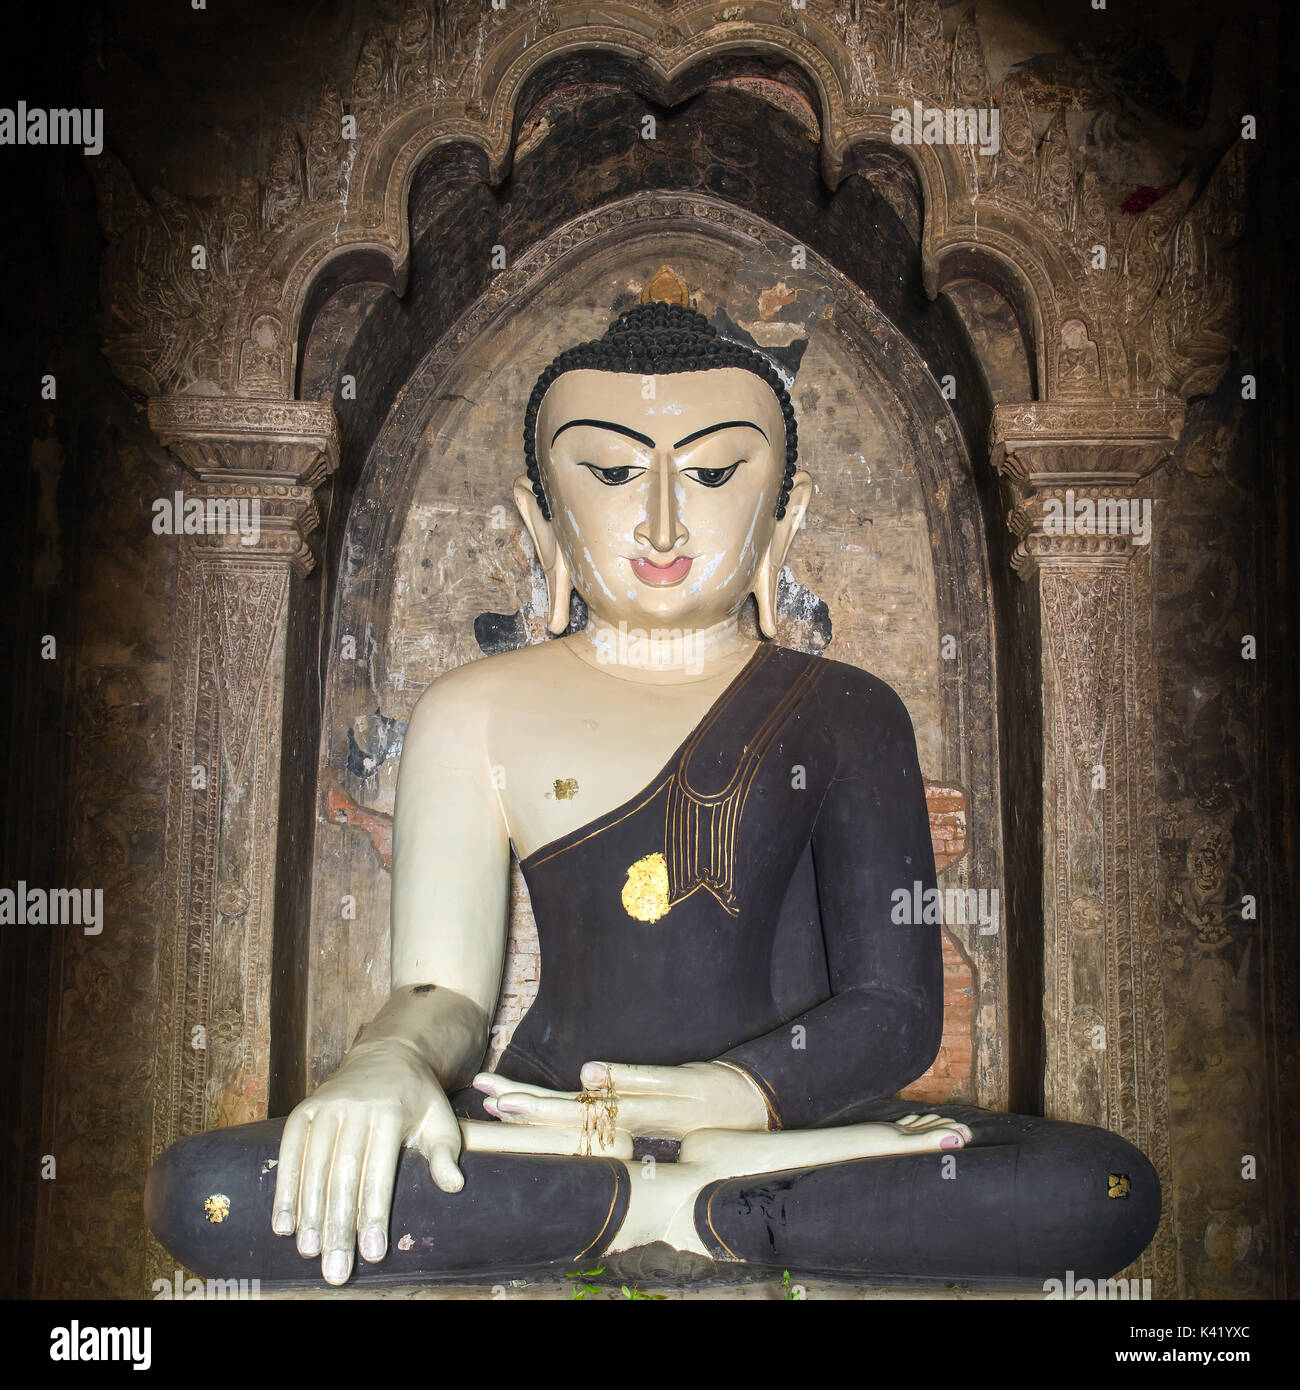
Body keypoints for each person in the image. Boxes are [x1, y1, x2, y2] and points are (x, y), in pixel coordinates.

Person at [146, 301, 1159, 1287]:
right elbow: (444, 992)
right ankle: (686, 1199)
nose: (665, 517)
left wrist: (728, 1103)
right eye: (615, 470)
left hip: (792, 1131)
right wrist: (390, 1063)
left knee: (1098, 1189)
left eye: (714, 471)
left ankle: (664, 1191)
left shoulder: (848, 710)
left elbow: (894, 1011)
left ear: (783, 513)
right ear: (541, 514)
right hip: (550, 1128)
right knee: (216, 1194)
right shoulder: (476, 709)